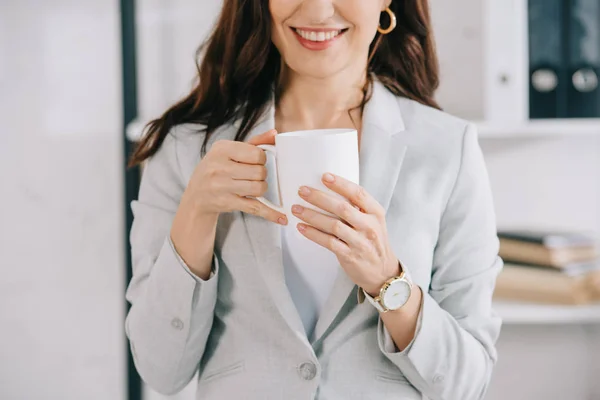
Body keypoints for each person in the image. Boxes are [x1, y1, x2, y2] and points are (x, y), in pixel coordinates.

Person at [125, 0, 503, 399]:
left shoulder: (448, 149)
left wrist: (388, 282)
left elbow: (468, 382)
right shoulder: (186, 149)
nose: (319, 11)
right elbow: (159, 369)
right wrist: (196, 213)